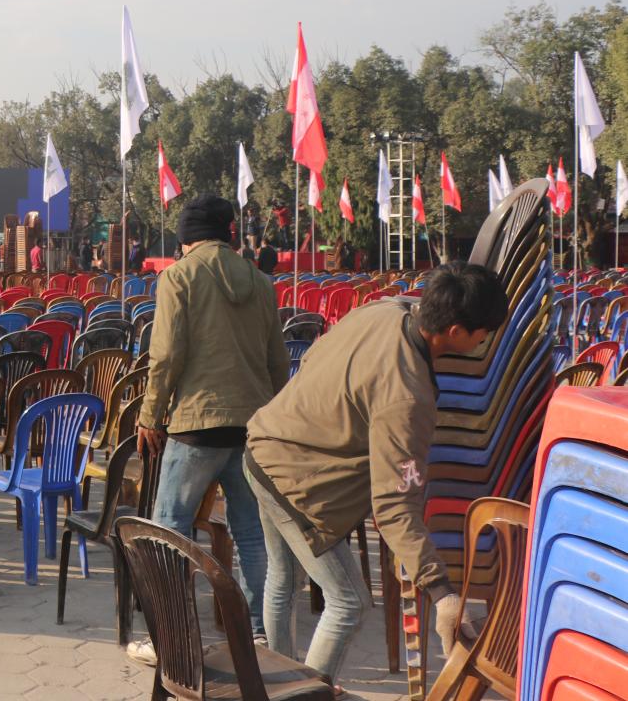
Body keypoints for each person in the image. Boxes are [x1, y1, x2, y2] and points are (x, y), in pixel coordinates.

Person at [245, 262, 507, 687]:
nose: (485, 341)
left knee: (284, 578)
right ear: (456, 331)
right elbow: (394, 506)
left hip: (262, 446)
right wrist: (441, 592)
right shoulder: (406, 397)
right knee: (347, 602)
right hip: (294, 481)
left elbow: (312, 358)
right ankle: (302, 695)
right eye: (484, 333)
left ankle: (275, 686)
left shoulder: (384, 310)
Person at [129, 194, 288, 664]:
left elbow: (166, 356)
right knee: (252, 534)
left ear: (186, 237)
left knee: (170, 530)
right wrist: (273, 419)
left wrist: (150, 415)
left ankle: (172, 639)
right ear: (228, 233)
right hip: (251, 427)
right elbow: (277, 360)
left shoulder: (178, 277)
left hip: (195, 425)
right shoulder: (260, 282)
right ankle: (260, 635)